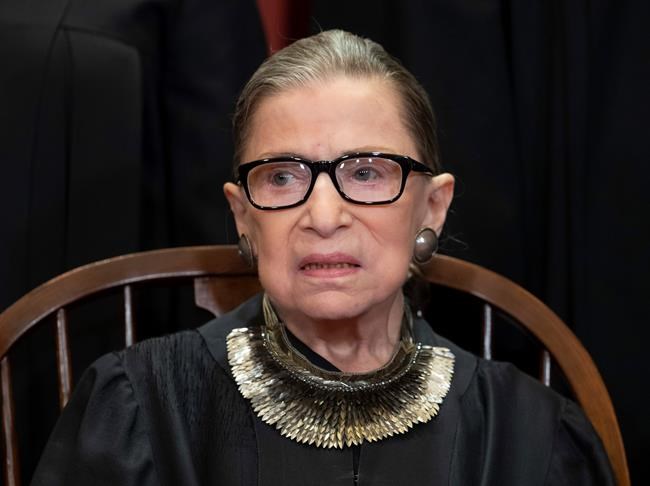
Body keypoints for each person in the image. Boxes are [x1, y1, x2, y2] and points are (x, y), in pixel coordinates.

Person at [31, 30, 614, 485]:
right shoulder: (138, 409)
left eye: (366, 173)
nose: (325, 215)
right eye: (282, 176)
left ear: (432, 207)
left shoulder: (532, 435)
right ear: (243, 215)